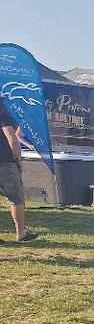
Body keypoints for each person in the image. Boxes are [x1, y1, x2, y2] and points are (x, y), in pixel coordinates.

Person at [0, 96, 36, 241]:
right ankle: (20, 233)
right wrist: (18, 161)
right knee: (15, 199)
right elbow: (13, 140)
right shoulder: (2, 111)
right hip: (5, 162)